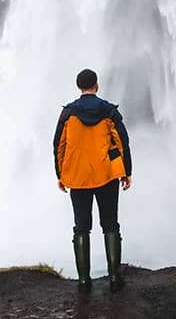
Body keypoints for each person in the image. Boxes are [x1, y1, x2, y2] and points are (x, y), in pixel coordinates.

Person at [53, 68, 132, 293]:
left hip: (77, 177)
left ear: (79, 87)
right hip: (106, 175)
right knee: (110, 223)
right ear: (96, 86)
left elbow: (59, 145)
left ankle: (84, 281)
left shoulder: (67, 114)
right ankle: (115, 278)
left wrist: (60, 174)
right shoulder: (108, 111)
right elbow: (122, 142)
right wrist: (126, 172)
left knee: (81, 226)